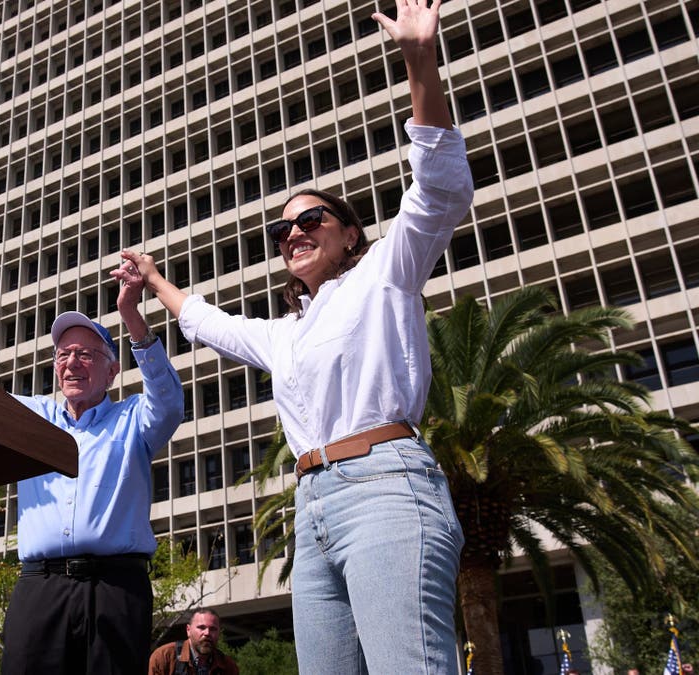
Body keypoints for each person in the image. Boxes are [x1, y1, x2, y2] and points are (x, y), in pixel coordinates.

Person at [115, 0, 472, 671]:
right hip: (312, 512)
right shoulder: (284, 334)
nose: (294, 232)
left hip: (386, 490)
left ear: (349, 232)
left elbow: (439, 194)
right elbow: (210, 323)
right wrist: (156, 279)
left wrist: (420, 61)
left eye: (311, 217)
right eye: (281, 230)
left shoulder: (385, 275)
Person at [0, 220, 185, 675]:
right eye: (63, 354)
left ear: (111, 372)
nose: (72, 362)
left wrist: (131, 314)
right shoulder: (31, 418)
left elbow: (168, 400)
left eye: (87, 354)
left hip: (115, 587)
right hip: (40, 588)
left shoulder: (132, 419)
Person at [148, 608, 240, 675]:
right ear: (188, 630)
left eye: (213, 629)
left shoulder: (228, 666)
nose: (207, 633)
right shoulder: (164, 657)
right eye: (201, 627)